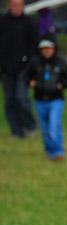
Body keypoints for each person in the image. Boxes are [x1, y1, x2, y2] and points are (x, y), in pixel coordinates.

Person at [24, 36, 67, 161]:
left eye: (48, 48)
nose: (46, 51)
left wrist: (62, 85)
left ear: (53, 49)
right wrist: (30, 82)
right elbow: (25, 77)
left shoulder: (60, 63)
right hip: (40, 99)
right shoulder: (35, 62)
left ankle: (58, 152)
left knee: (54, 125)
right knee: (45, 128)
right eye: (44, 49)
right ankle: (49, 150)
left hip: (56, 99)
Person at [0, 0, 38, 139]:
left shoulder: (29, 23)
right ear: (9, 6)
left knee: (21, 98)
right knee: (9, 100)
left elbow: (35, 46)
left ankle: (30, 126)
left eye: (19, 5)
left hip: (24, 68)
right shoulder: (3, 22)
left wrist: (29, 62)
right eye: (14, 5)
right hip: (6, 68)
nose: (16, 8)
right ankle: (16, 130)